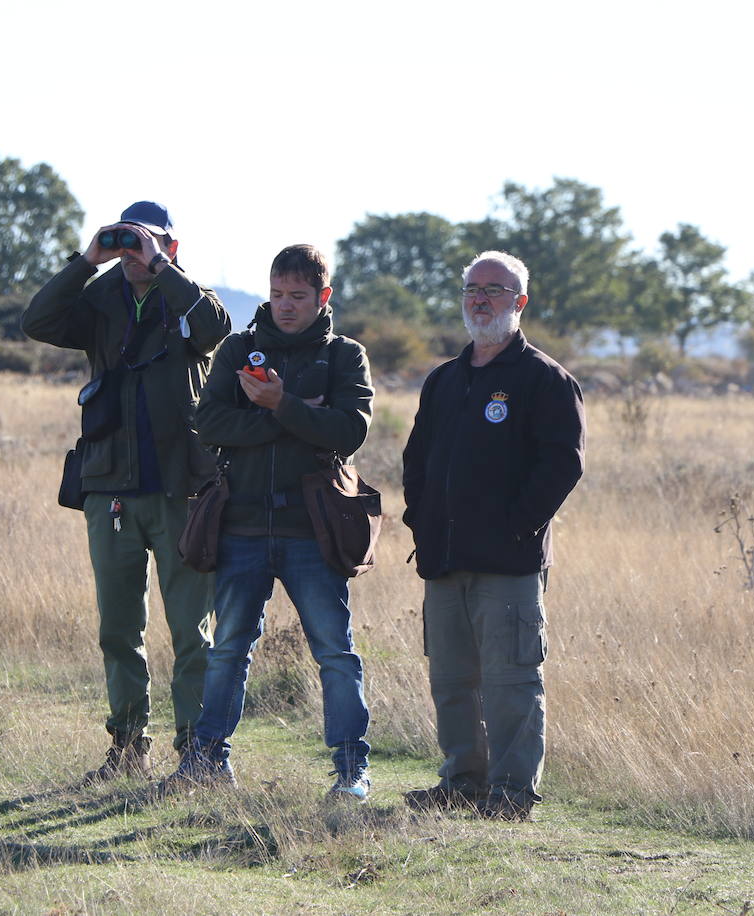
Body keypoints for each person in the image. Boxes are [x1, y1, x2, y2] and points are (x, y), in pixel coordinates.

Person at [21, 201, 230, 782]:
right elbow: (37, 322)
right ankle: (127, 748)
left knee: (192, 631)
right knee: (118, 629)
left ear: (171, 247)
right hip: (110, 484)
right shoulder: (100, 297)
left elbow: (217, 328)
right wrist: (87, 259)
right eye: (127, 243)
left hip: (181, 488)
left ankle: (198, 754)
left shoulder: (187, 297)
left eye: (147, 243)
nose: (134, 254)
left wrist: (164, 269)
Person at [159, 244, 374, 800]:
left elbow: (349, 432)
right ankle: (206, 761)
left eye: (298, 296)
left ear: (323, 297)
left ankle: (352, 770)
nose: (284, 306)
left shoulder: (345, 356)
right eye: (277, 294)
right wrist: (298, 417)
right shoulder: (238, 350)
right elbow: (208, 424)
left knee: (334, 649)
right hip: (243, 527)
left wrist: (279, 406)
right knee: (229, 646)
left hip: (313, 530)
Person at [401, 250, 585, 821]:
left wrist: (514, 527)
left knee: (511, 684)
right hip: (444, 558)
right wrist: (422, 521)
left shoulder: (545, 380)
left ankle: (511, 796)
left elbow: (563, 466)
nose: (481, 299)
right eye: (472, 289)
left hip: (508, 564)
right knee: (452, 681)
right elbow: (417, 459)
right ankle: (461, 783)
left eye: (495, 290)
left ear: (520, 303)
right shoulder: (445, 380)